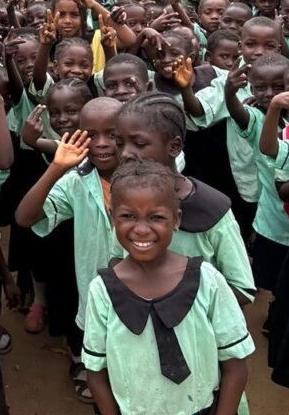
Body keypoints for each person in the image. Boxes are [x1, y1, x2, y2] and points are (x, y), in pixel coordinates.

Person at [83, 160, 254, 415]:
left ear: (176, 220)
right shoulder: (102, 291)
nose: (141, 229)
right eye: (128, 216)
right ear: (112, 217)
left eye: (157, 217)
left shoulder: (207, 281)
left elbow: (235, 364)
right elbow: (96, 372)